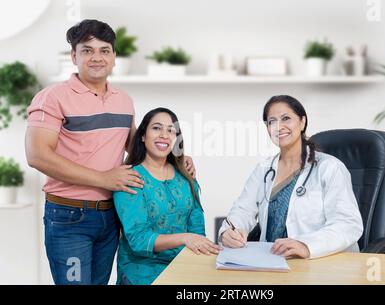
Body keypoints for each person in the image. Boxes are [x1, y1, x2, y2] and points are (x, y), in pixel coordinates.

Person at [24, 19, 195, 285]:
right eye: (87, 50)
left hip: (111, 216)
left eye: (104, 50)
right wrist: (104, 179)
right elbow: (37, 155)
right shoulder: (52, 97)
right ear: (73, 56)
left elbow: (138, 145)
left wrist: (179, 158)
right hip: (70, 219)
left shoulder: (123, 100)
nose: (96, 57)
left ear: (114, 57)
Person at [218, 95, 363, 259]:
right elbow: (243, 210)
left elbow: (348, 224)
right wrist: (229, 232)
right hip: (274, 260)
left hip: (322, 261)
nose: (279, 127)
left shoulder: (330, 168)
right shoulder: (264, 169)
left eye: (286, 118)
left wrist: (307, 245)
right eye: (272, 122)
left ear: (302, 122)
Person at [114, 108, 221, 285]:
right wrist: (184, 238)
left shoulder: (186, 176)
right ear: (142, 136)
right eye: (157, 128)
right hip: (143, 271)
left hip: (184, 266)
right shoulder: (130, 178)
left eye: (171, 130)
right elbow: (139, 240)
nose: (164, 135)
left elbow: (197, 231)